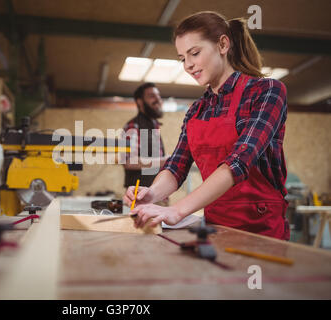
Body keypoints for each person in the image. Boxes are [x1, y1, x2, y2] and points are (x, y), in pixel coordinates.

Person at [123, 11, 290, 240]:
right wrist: (151, 194)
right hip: (216, 228)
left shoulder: (267, 91)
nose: (188, 65)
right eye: (182, 58)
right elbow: (177, 166)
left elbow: (239, 162)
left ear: (223, 44)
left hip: (261, 230)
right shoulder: (196, 110)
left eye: (195, 53)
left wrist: (177, 210)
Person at [122, 82, 169, 189]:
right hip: (141, 195)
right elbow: (128, 161)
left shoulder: (153, 124)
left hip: (158, 192)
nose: (158, 100)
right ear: (140, 102)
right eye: (152, 96)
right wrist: (164, 161)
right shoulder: (133, 126)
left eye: (158, 96)